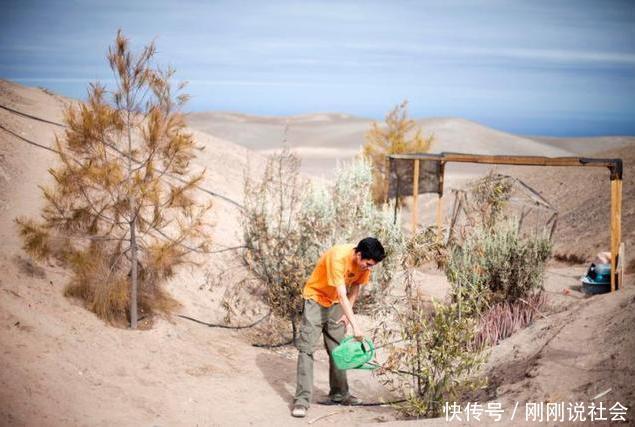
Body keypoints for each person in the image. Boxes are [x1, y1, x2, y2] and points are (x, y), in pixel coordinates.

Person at [291, 237, 386, 418]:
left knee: (339, 350)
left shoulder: (365, 264)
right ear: (358, 255)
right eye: (367, 264)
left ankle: (340, 394)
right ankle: (302, 400)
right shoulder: (338, 257)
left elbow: (355, 287)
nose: (368, 267)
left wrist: (346, 316)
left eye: (372, 265)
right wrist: (356, 327)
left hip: (336, 304)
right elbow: (342, 293)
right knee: (306, 350)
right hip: (316, 300)